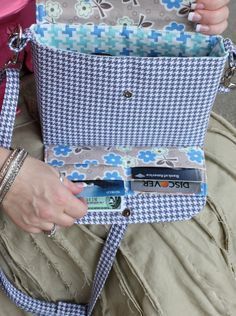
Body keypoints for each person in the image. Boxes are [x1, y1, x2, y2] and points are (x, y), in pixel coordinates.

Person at [0, 0, 235, 315]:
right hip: (30, 125)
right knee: (164, 268)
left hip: (113, 94)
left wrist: (195, 14)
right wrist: (6, 172)